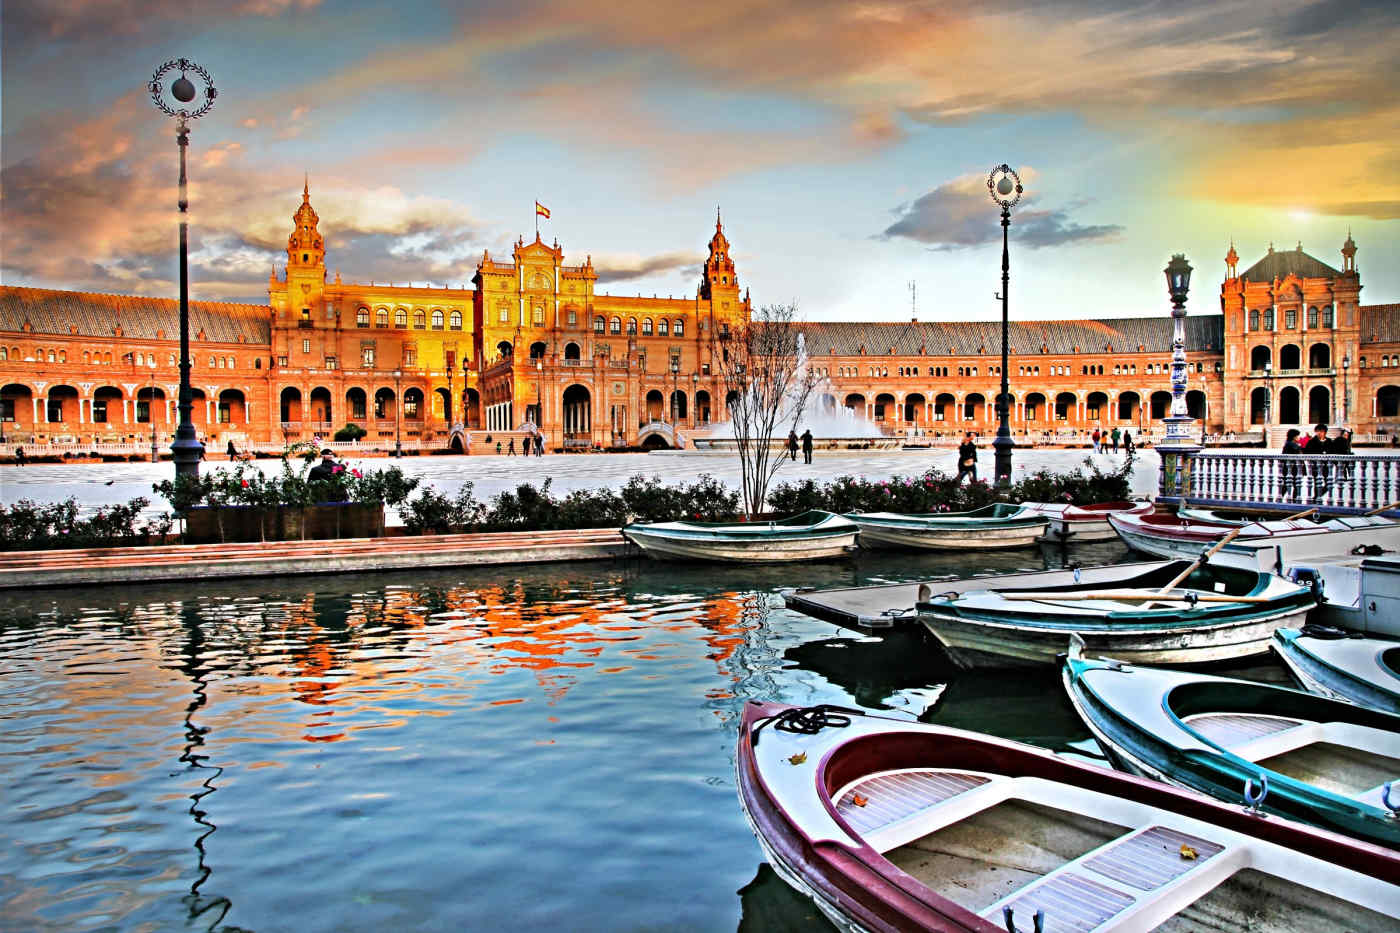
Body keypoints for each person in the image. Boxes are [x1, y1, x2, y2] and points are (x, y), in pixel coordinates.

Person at [1303, 422, 1330, 498]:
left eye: (1321, 431)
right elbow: (1306, 452)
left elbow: (1333, 451)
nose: (1319, 433)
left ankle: (1317, 496)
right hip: (1315, 465)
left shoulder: (1329, 441)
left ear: (1325, 432)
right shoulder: (1312, 441)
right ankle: (1316, 498)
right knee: (1317, 482)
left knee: (1328, 483)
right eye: (1318, 431)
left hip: (1326, 465)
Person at [1281, 428, 1303, 498]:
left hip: (1291, 468)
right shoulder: (1292, 445)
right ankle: (1294, 500)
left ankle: (1281, 497)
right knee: (1294, 485)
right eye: (1298, 436)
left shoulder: (1290, 444)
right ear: (1294, 437)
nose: (1299, 437)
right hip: (1292, 468)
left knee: (1288, 484)